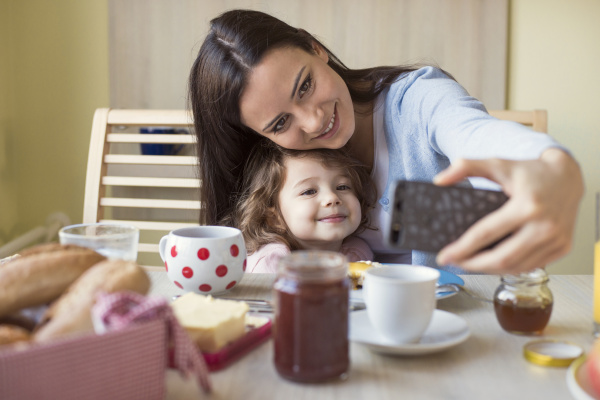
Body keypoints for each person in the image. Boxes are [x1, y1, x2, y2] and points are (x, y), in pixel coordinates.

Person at [188, 9, 584, 274]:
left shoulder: (417, 101)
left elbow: (474, 134)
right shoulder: (279, 172)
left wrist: (552, 166)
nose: (313, 120)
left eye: (305, 85)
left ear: (316, 48)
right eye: (279, 122)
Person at [231, 142, 376, 273]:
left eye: (342, 187)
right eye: (309, 191)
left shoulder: (358, 254)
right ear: (274, 219)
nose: (332, 198)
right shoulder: (272, 262)